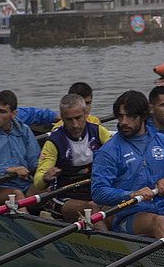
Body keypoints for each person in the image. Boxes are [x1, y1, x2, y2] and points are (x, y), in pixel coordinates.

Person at [91, 90, 164, 238]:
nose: (124, 122)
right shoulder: (109, 151)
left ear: (144, 116)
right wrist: (130, 194)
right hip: (131, 213)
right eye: (120, 116)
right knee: (159, 222)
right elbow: (98, 191)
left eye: (131, 116)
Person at [34, 93, 112, 228]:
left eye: (78, 118)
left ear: (86, 113)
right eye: (69, 120)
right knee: (92, 208)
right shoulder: (54, 142)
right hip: (64, 197)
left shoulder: (99, 132)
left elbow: (119, 153)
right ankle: (110, 244)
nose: (75, 125)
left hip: (94, 191)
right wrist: (46, 177)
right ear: (62, 118)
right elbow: (38, 182)